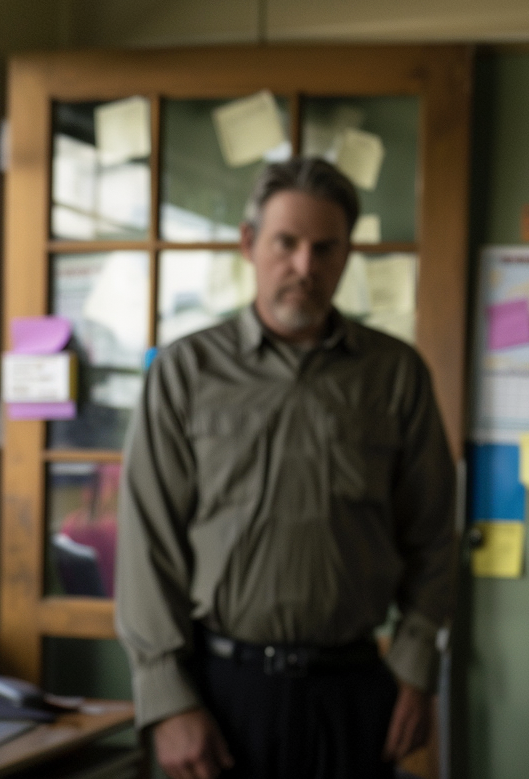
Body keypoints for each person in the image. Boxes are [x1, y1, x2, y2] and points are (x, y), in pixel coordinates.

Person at [115, 157, 456, 779]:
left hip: (356, 690)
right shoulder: (185, 373)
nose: (305, 266)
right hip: (219, 696)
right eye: (287, 243)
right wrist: (166, 700)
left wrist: (413, 668)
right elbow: (147, 543)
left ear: (347, 254)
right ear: (250, 244)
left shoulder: (394, 374)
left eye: (325, 248)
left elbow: (433, 534)